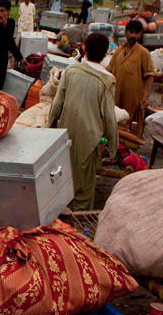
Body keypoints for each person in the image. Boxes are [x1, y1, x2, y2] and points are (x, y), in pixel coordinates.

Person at [46, 32, 118, 210]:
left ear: (83, 48)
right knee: (83, 189)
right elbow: (109, 118)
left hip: (65, 136)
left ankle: (59, 221)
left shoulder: (71, 71)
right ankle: (76, 229)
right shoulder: (107, 80)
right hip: (89, 141)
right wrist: (112, 147)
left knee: (63, 179)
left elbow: (57, 104)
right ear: (105, 54)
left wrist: (50, 126)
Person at [107, 18, 155, 136]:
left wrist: (146, 97)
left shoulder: (143, 53)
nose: (133, 35)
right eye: (131, 32)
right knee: (115, 122)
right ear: (126, 32)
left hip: (133, 98)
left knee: (131, 126)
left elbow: (149, 76)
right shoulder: (119, 50)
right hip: (116, 95)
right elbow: (109, 69)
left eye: (136, 33)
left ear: (140, 34)